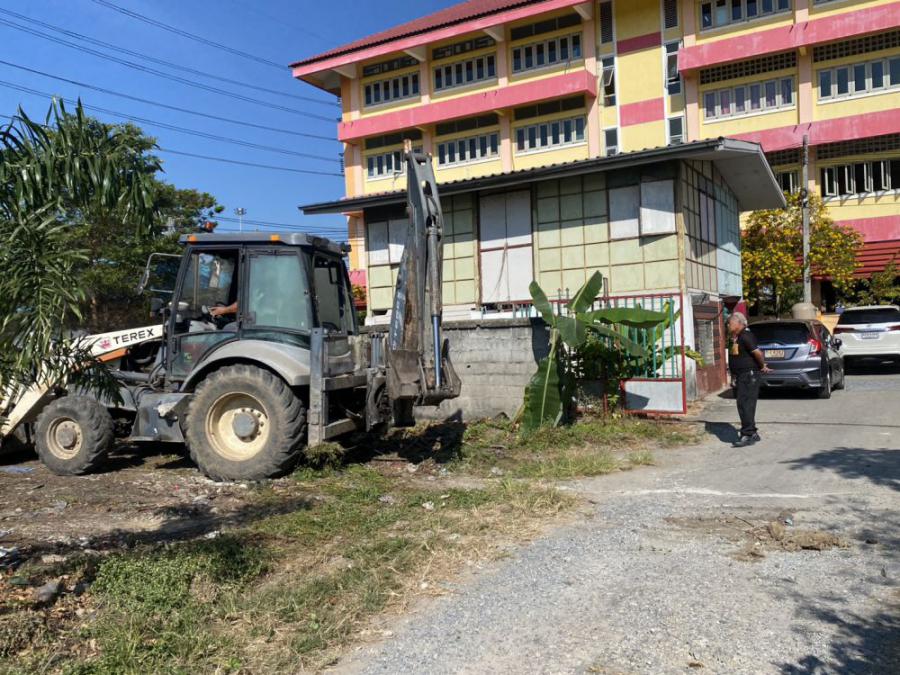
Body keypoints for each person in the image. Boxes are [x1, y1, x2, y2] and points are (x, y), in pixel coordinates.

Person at [727, 312, 771, 447]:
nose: (728, 325)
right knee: (744, 404)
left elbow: (758, 353)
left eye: (730, 323)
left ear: (739, 323)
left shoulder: (746, 336)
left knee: (745, 404)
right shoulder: (736, 337)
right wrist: (733, 375)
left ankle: (748, 434)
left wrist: (762, 366)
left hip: (749, 375)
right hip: (741, 375)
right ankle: (752, 433)